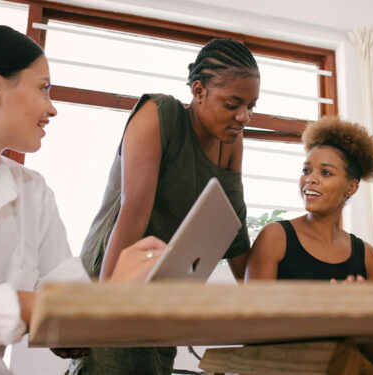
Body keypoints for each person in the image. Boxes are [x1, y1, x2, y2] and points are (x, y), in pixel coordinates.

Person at [0, 22, 166, 375]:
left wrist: (112, 298)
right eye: (43, 89)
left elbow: (71, 325)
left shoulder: (32, 193)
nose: (52, 108)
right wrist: (36, 306)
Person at [74, 39, 260, 374]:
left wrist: (266, 307)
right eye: (233, 103)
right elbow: (134, 213)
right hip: (116, 275)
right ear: (199, 91)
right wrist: (104, 306)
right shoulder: (158, 115)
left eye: (251, 106)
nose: (243, 116)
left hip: (165, 289)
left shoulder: (230, 141)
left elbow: (235, 228)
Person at [245, 116, 373, 367]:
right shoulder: (275, 237)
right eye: (306, 170)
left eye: (325, 172)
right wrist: (327, 312)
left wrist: (358, 316)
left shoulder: (367, 256)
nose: (310, 179)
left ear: (351, 187)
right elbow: (250, 329)